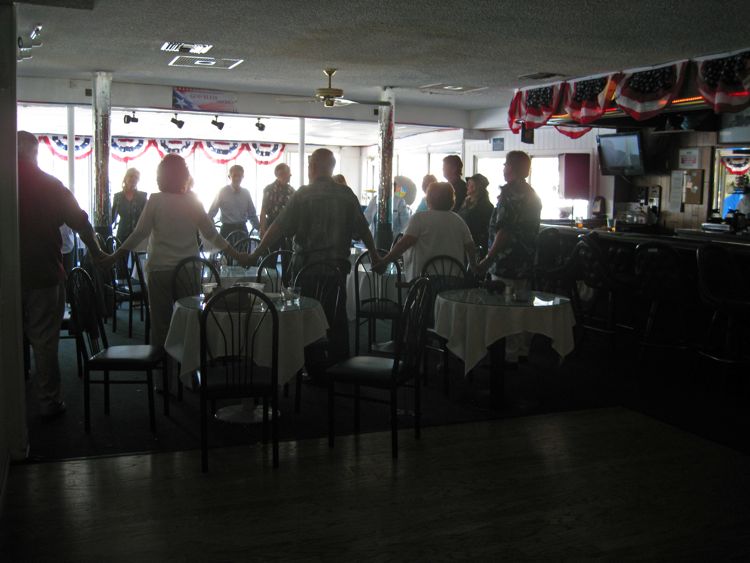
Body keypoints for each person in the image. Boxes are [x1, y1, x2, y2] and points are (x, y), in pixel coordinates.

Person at [104, 154, 251, 355]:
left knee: (161, 323)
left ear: (160, 176)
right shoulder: (193, 201)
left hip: (160, 270)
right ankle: (188, 370)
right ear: (184, 176)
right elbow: (212, 235)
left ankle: (162, 377)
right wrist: (237, 255)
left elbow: (139, 234)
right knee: (188, 321)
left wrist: (113, 256)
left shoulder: (155, 200)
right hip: (188, 270)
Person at [248, 148, 380, 362]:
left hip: (306, 271)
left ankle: (311, 364)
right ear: (332, 167)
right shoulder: (346, 194)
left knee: (307, 318)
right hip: (336, 270)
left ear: (312, 167)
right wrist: (375, 256)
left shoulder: (302, 194)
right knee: (336, 317)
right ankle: (339, 363)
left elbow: (279, 227)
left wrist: (256, 254)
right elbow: (363, 230)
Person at [17, 130, 107, 418]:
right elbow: (81, 222)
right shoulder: (50, 185)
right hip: (44, 272)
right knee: (45, 340)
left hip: (8, 276)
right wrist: (95, 253)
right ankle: (49, 401)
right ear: (35, 152)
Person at [477, 150, 542, 362]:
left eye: (505, 165)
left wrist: (488, 259)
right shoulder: (531, 193)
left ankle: (507, 358)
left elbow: (504, 231)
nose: (503, 168)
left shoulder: (510, 194)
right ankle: (520, 352)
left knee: (504, 311)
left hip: (506, 263)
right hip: (525, 262)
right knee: (522, 307)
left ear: (511, 168)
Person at [375, 182, 477, 282]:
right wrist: (474, 267)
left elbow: (403, 245)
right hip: (454, 283)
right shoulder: (458, 221)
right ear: (452, 201)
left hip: (424, 283)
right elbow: (471, 247)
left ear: (428, 199)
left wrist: (384, 262)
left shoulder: (419, 218)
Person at [207, 164, 260, 238]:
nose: (237, 178)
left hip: (242, 229)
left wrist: (260, 229)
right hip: (226, 230)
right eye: (234, 175)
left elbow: (252, 214)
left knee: (243, 250)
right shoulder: (222, 192)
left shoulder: (246, 193)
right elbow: (211, 213)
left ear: (243, 177)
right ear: (229, 177)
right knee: (226, 250)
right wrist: (213, 231)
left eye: (240, 176)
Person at [259, 163, 295, 253]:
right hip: (272, 225)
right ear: (280, 175)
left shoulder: (291, 190)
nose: (290, 176)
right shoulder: (269, 189)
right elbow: (263, 211)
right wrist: (263, 230)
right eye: (288, 174)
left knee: (287, 257)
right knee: (270, 257)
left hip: (287, 227)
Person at [457, 173, 494, 249]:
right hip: (463, 241)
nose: (466, 186)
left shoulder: (486, 206)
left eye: (469, 184)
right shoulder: (467, 203)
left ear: (475, 187)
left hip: (476, 245)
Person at [111, 167, 147, 242]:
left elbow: (147, 217)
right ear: (125, 178)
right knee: (120, 254)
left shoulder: (142, 196)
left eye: (136, 177)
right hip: (122, 236)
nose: (133, 179)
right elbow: (112, 218)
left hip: (138, 236)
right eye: (131, 176)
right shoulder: (118, 197)